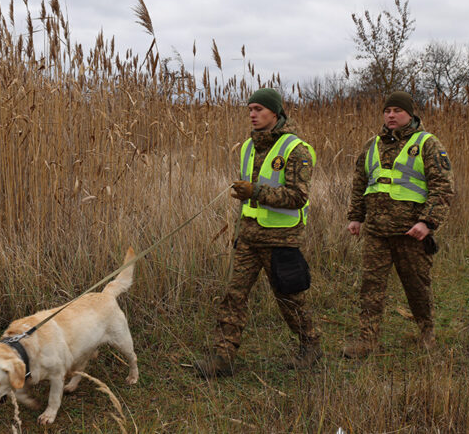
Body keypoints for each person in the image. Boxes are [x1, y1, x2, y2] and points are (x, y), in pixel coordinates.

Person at [193, 88, 321, 378]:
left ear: (275, 112)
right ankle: (223, 357)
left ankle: (311, 345)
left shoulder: (296, 149)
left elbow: (298, 197)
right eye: (250, 109)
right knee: (234, 295)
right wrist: (240, 227)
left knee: (289, 298)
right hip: (250, 238)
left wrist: (255, 191)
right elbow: (249, 199)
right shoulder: (248, 147)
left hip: (281, 239)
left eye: (259, 109)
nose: (252, 114)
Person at [343, 91, 454, 358]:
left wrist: (427, 223)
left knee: (417, 287)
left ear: (410, 114)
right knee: (370, 288)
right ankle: (368, 341)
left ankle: (427, 334)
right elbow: (360, 183)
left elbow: (443, 187)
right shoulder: (372, 145)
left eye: (397, 111)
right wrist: (356, 216)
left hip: (411, 233)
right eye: (387, 111)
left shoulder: (427, 143)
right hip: (376, 232)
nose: (391, 115)